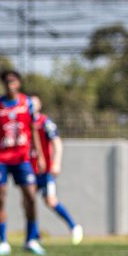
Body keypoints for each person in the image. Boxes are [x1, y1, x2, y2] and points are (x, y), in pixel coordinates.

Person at [0, 70, 46, 256]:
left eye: (13, 81)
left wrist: (39, 154)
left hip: (22, 158)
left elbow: (33, 128)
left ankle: (31, 239)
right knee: (1, 197)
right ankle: (3, 241)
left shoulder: (27, 103)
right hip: (0, 158)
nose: (10, 84)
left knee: (31, 196)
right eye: (6, 81)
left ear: (19, 83)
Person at [30, 96, 83, 244]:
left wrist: (56, 163)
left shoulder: (45, 122)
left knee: (51, 201)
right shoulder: (24, 122)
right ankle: (34, 235)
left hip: (45, 171)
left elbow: (57, 142)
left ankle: (74, 227)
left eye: (35, 104)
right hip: (30, 169)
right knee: (29, 201)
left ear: (40, 105)